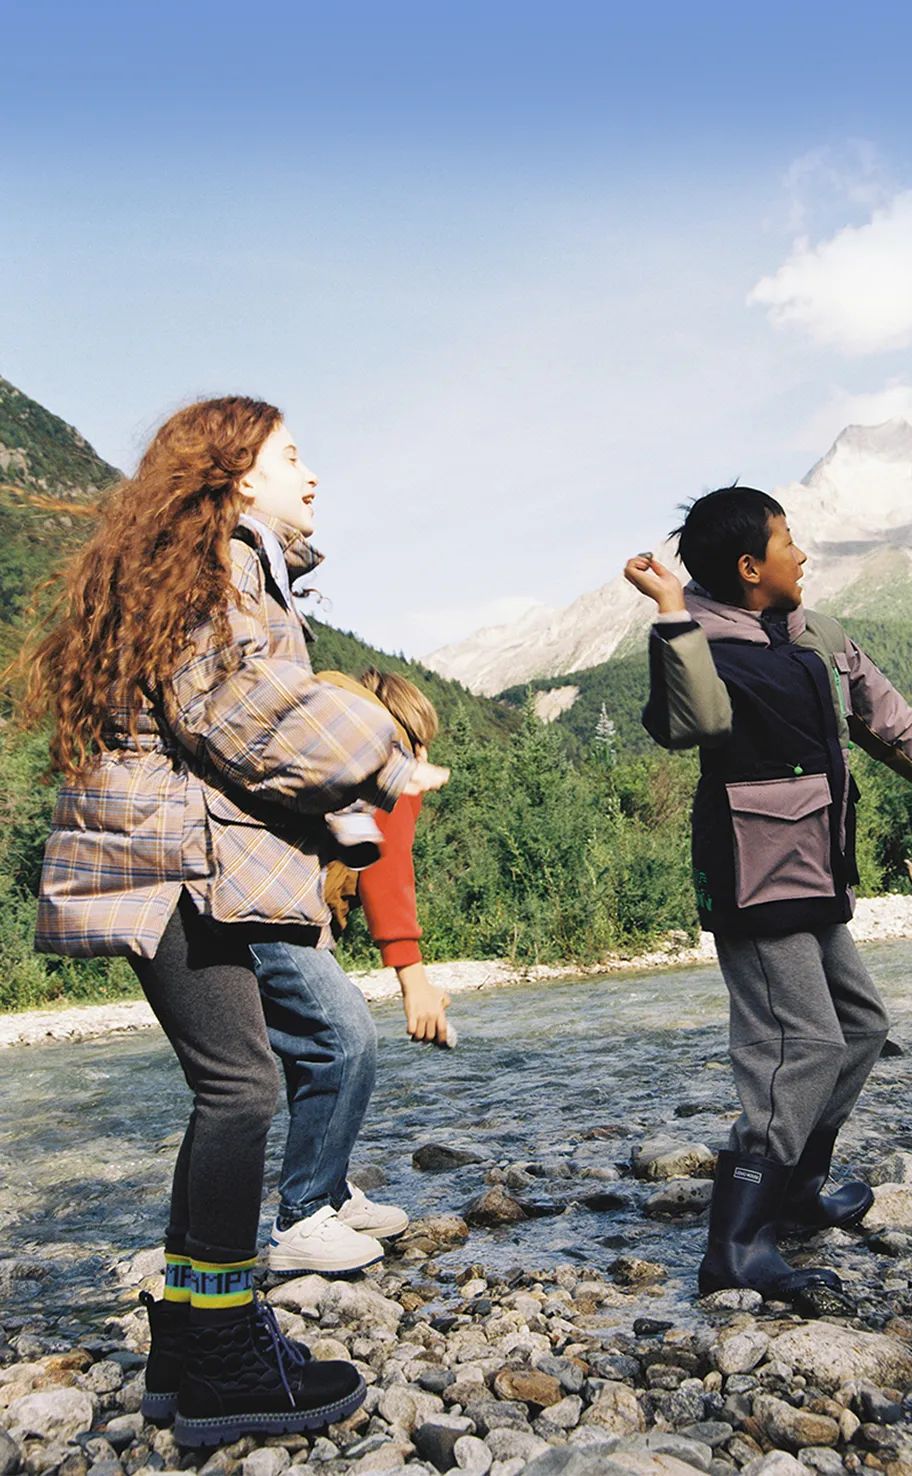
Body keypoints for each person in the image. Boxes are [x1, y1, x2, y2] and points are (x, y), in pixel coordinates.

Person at [18, 397, 447, 1445]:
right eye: (293, 455)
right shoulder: (222, 563)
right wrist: (380, 752)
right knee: (241, 1085)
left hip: (169, 853)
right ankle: (217, 1356)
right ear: (235, 472)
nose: (313, 474)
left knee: (235, 1083)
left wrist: (345, 814)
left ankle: (186, 1350)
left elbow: (223, 724)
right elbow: (241, 711)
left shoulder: (208, 562)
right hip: (172, 862)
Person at [624, 485, 912, 1301]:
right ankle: (735, 1243)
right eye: (788, 541)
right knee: (797, 1047)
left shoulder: (819, 633)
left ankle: (796, 1188)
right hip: (751, 874)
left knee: (861, 1027)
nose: (801, 553)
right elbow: (688, 725)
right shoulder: (693, 638)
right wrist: (669, 613)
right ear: (750, 567)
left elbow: (885, 718)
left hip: (816, 867)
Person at [253, 666, 451, 1276]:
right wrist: (413, 976)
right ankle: (304, 1215)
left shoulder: (320, 755)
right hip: (267, 914)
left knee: (312, 1054)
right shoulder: (382, 764)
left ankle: (329, 1193)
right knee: (344, 1041)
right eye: (422, 745)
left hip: (267, 909)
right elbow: (389, 872)